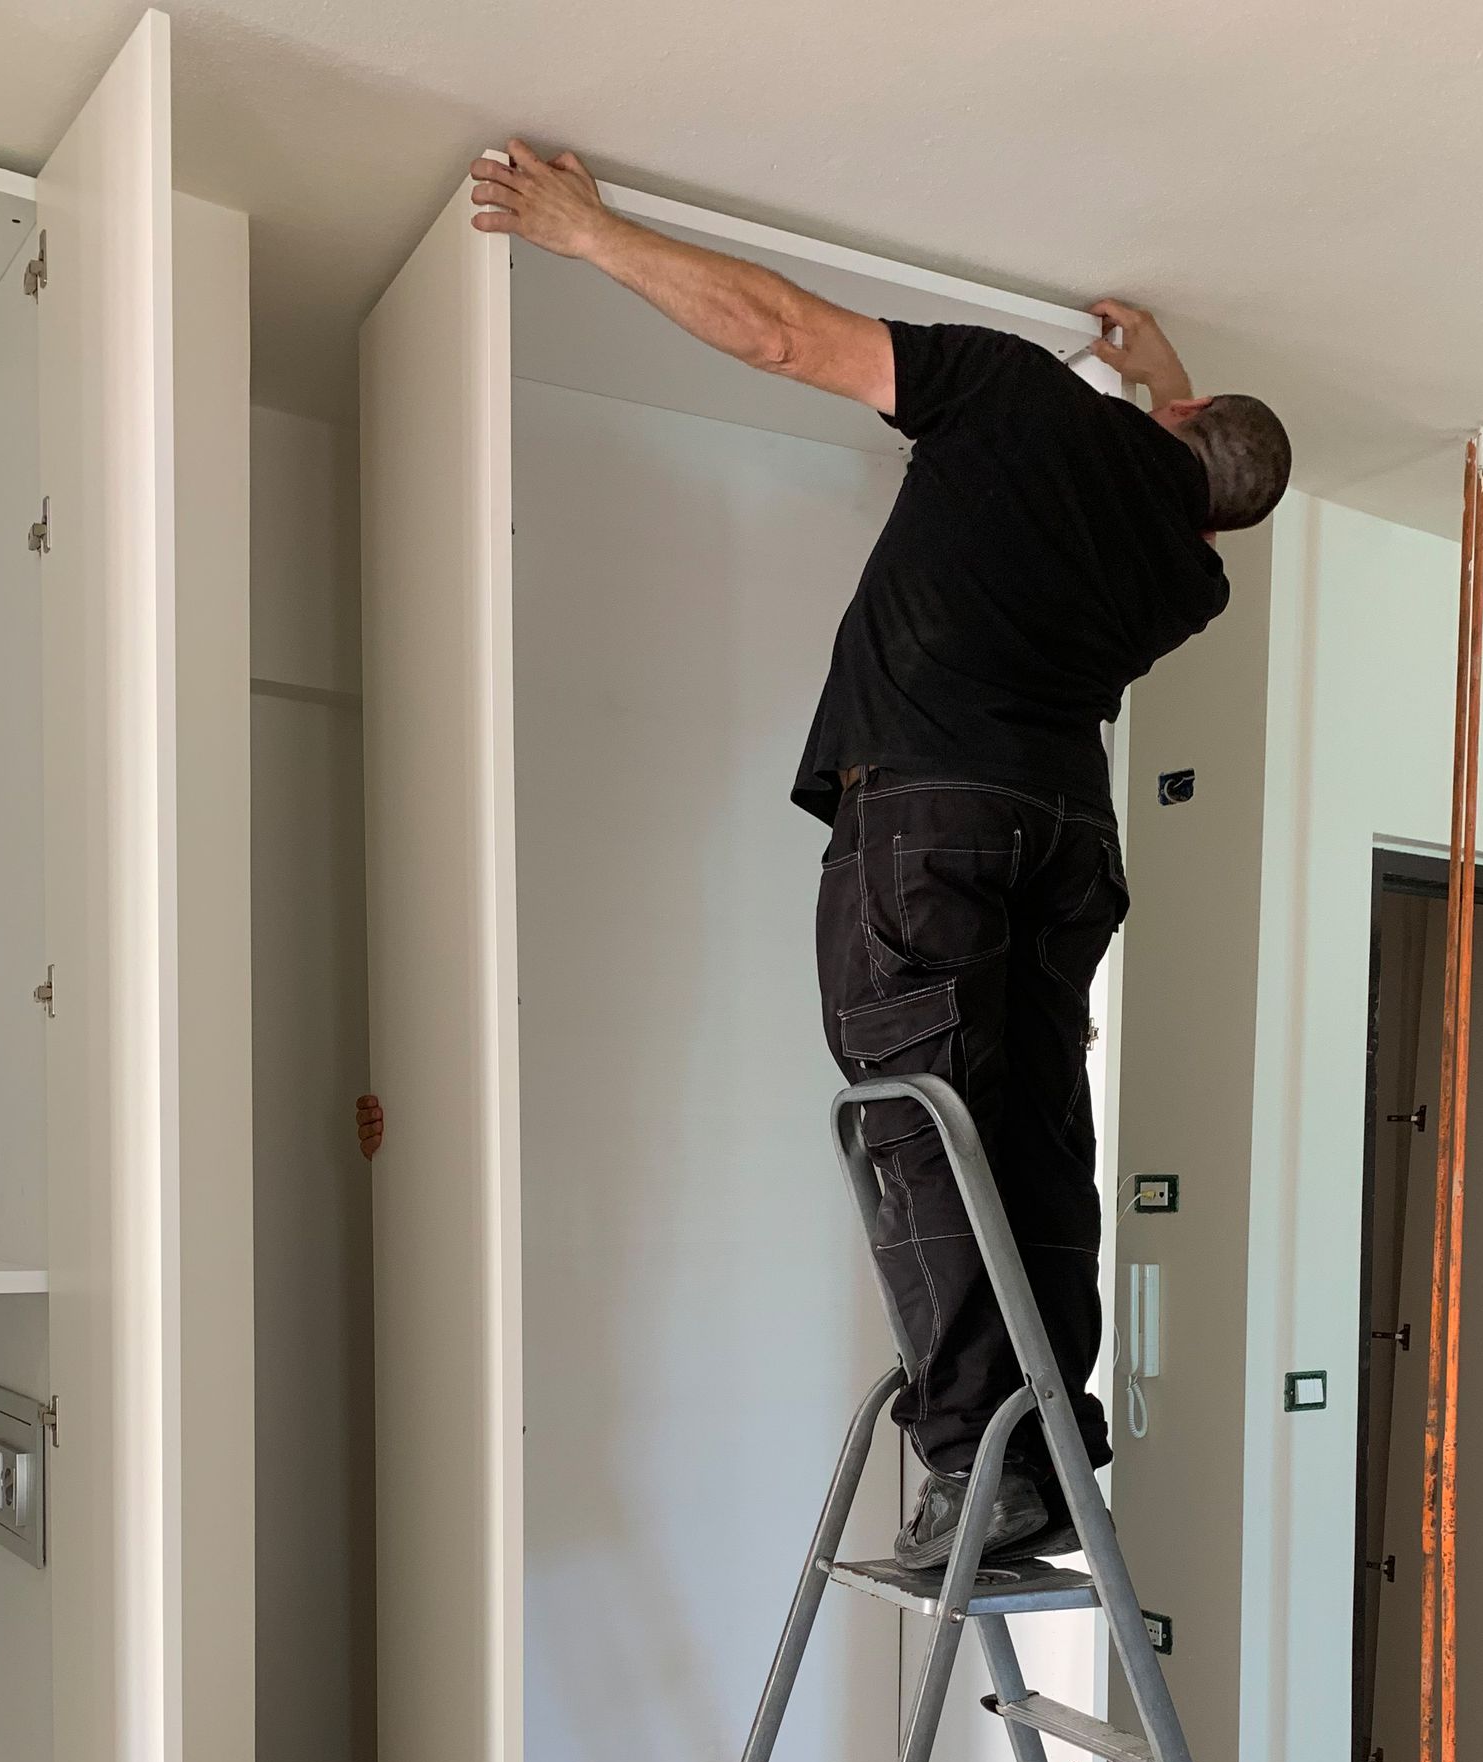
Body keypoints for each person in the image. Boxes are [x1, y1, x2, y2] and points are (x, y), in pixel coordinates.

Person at [469, 141, 1291, 1568]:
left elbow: (783, 333)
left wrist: (589, 233)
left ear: (1176, 414)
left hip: (934, 819)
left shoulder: (1018, 395)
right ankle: (1048, 1455)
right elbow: (1181, 478)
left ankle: (976, 1463)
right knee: (1033, 1137)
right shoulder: (1191, 575)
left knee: (922, 1121)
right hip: (1067, 837)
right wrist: (1170, 380)